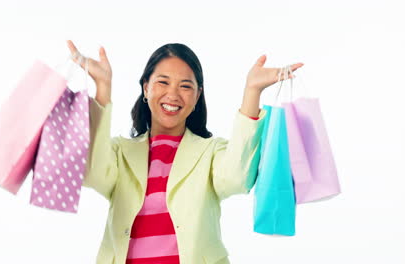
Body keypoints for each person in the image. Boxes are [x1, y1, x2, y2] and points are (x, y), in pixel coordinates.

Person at [67, 40, 303, 264]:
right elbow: (93, 173)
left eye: (185, 86)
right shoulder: (121, 152)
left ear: (197, 95)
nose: (173, 94)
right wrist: (103, 87)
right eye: (163, 82)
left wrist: (252, 91)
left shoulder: (210, 152)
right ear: (146, 87)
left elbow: (237, 179)